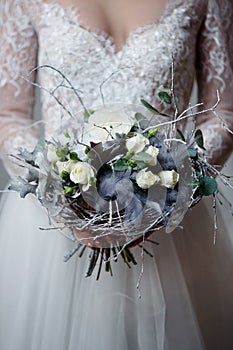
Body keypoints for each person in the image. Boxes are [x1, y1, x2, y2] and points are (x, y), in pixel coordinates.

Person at [0, 0, 233, 349]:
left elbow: (224, 112)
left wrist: (172, 188)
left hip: (172, 227)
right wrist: (59, 192)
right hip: (55, 232)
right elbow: (11, 116)